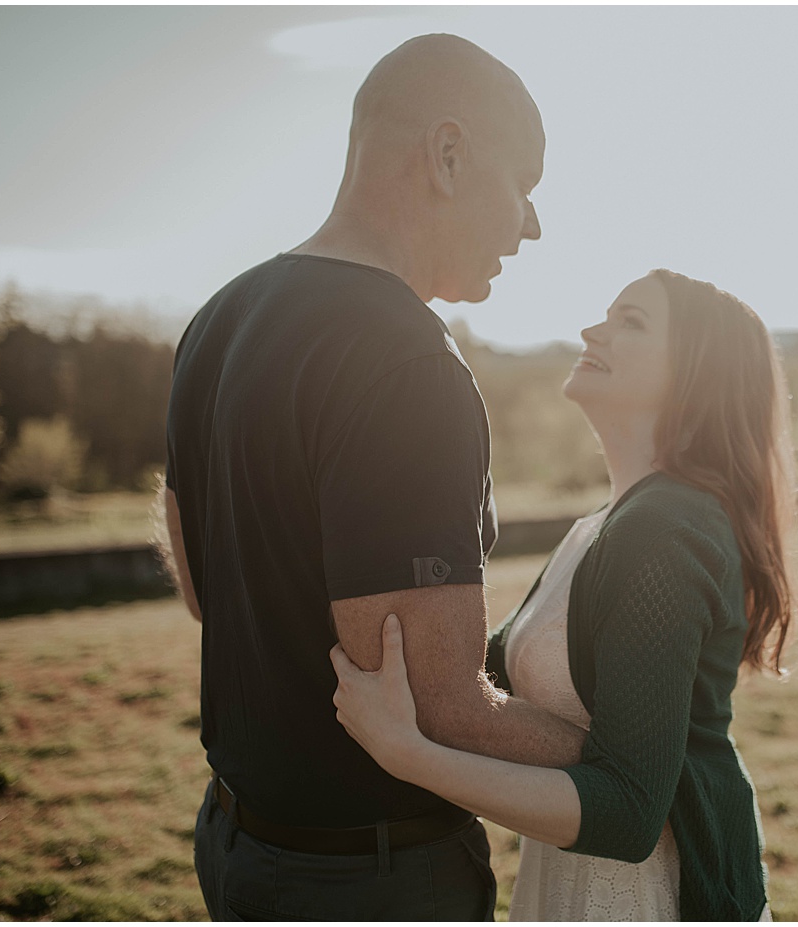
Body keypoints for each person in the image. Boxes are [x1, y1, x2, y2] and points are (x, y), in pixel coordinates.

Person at [162, 35, 587, 920]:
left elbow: (206, 591)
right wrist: (631, 758)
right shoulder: (407, 366)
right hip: (369, 880)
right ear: (447, 154)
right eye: (527, 186)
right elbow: (438, 707)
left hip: (236, 845)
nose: (533, 225)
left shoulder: (220, 317)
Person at [330, 269, 798, 921]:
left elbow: (632, 814)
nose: (591, 330)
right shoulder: (604, 522)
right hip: (568, 881)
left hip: (646, 896)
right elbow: (486, 680)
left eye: (630, 321)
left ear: (700, 372)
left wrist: (411, 756)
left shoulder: (664, 529)